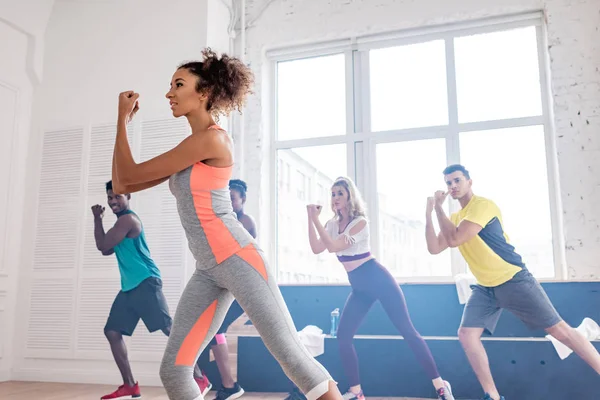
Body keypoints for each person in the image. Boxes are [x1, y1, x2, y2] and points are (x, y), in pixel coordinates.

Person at [110, 48, 343, 400]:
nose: (169, 93)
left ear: (203, 93)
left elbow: (126, 177)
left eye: (178, 84)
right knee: (174, 371)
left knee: (291, 355)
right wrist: (122, 124)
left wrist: (122, 119)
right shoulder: (189, 145)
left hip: (238, 257)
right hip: (207, 269)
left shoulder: (212, 139)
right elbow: (124, 182)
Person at [425, 164, 600, 400]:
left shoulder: (483, 206)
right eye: (448, 183)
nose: (452, 186)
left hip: (513, 279)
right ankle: (493, 396)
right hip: (486, 287)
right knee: (466, 334)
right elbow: (435, 248)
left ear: (469, 181)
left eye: (457, 180)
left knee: (561, 332)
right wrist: (429, 213)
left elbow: (455, 239)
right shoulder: (454, 217)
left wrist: (438, 208)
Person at [307, 176, 455, 400]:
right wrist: (311, 219)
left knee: (408, 332)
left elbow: (333, 246)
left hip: (378, 280)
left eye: (340, 193)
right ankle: (357, 392)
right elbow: (317, 247)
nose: (335, 198)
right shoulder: (331, 224)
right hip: (359, 288)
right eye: (333, 193)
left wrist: (316, 220)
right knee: (343, 337)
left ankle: (440, 385)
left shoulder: (360, 222)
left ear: (349, 197)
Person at [92, 181, 209, 400]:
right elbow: (106, 249)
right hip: (130, 287)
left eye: (117, 196)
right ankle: (129, 386)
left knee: (169, 329)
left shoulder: (127, 220)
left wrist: (97, 218)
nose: (112, 201)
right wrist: (101, 227)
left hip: (146, 282)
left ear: (128, 196)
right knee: (112, 332)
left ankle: (200, 378)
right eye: (109, 197)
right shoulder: (120, 224)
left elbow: (102, 244)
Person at [196, 179, 256, 400]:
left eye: (232, 198)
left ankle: (229, 385)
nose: (229, 203)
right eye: (226, 199)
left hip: (244, 288)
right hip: (227, 285)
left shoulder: (245, 222)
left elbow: (234, 253)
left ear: (243, 200)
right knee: (212, 329)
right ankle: (226, 384)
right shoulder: (224, 221)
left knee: (215, 328)